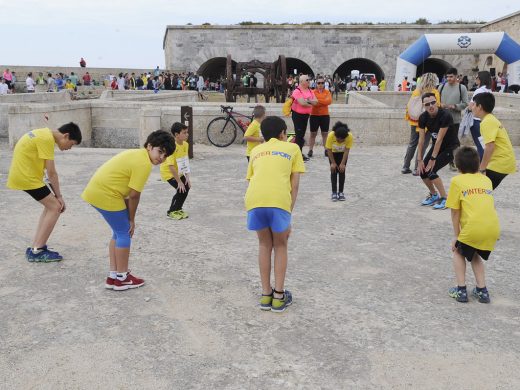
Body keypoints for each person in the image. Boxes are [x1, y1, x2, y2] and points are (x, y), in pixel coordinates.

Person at [82, 130, 174, 290]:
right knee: (125, 232)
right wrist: (131, 220)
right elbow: (134, 195)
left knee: (118, 232)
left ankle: (113, 276)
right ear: (149, 146)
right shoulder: (144, 163)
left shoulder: (137, 155)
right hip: (106, 193)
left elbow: (127, 192)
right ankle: (122, 278)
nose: (161, 158)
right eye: (160, 152)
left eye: (165, 156)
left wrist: (127, 218)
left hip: (98, 191)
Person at [245, 116, 305, 312]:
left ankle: (265, 295)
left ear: (263, 134)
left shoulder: (256, 151)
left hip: (254, 200)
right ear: (282, 134)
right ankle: (279, 296)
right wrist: (288, 213)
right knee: (280, 244)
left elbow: (251, 180)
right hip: (279, 200)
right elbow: (294, 185)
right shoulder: (293, 149)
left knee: (263, 244)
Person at [6, 123, 82, 262]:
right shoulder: (46, 139)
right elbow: (52, 173)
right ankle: (37, 251)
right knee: (55, 207)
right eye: (71, 144)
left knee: (50, 206)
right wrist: (59, 196)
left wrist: (56, 195)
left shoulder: (43, 134)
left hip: (25, 175)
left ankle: (36, 246)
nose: (69, 148)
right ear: (66, 135)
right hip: (27, 178)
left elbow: (48, 174)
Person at [446, 146, 499, 303]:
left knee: (458, 252)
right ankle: (482, 291)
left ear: (458, 166)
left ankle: (461, 290)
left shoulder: (457, 181)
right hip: (492, 227)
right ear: (477, 164)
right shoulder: (486, 180)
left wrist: (457, 236)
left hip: (473, 228)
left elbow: (455, 212)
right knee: (474, 253)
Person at [417, 92, 460, 210]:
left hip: (450, 147)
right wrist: (419, 159)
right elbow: (421, 140)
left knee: (431, 171)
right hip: (437, 146)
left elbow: (440, 139)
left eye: (433, 102)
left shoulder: (445, 115)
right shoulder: (423, 117)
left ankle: (445, 198)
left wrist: (432, 159)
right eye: (427, 104)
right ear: (423, 106)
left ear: (437, 102)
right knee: (422, 172)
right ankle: (434, 194)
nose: (430, 106)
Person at [472, 92, 516, 190]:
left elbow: (489, 147)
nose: (472, 106)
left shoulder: (487, 122)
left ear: (480, 107)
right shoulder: (489, 119)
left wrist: (482, 168)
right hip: (502, 162)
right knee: (481, 191)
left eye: (474, 104)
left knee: (479, 191)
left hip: (500, 163)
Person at [402, 73, 440, 174]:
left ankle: (405, 166)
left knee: (412, 143)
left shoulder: (416, 91)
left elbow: (409, 106)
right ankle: (416, 169)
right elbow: (437, 107)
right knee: (422, 145)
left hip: (415, 121)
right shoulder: (434, 92)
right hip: (427, 123)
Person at [160, 123, 192, 220]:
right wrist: (179, 181)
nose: (187, 134)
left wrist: (187, 177)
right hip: (169, 172)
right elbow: (171, 166)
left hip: (180, 171)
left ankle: (178, 208)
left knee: (186, 187)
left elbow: (184, 161)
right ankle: (171, 211)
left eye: (187, 132)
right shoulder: (171, 146)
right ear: (176, 134)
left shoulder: (186, 144)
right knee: (180, 189)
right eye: (184, 133)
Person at [439, 67, 468, 171]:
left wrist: (454, 106)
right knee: (442, 141)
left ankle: (454, 162)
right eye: (447, 77)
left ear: (456, 76)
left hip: (455, 120)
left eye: (451, 77)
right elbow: (436, 101)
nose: (449, 79)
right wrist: (440, 104)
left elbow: (465, 104)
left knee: (455, 142)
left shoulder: (462, 88)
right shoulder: (441, 87)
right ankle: (442, 160)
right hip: (442, 120)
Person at [290, 74, 317, 161]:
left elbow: (316, 102)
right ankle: (298, 155)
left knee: (302, 135)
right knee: (299, 135)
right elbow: (302, 103)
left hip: (305, 115)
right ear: (301, 82)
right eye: (307, 80)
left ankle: (299, 153)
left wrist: (307, 101)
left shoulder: (310, 90)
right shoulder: (297, 91)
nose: (309, 81)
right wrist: (310, 102)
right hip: (297, 115)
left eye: (309, 80)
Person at [326, 121, 353, 201]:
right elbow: (329, 150)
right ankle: (334, 192)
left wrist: (342, 164)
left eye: (342, 140)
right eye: (338, 139)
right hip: (332, 153)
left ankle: (341, 192)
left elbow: (347, 151)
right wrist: (333, 163)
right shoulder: (331, 135)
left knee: (342, 171)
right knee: (333, 171)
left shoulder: (349, 136)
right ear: (335, 136)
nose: (340, 142)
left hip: (342, 154)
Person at [308, 76, 332, 158]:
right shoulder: (312, 92)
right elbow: (311, 102)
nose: (320, 84)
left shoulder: (327, 92)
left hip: (325, 115)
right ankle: (310, 150)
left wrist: (317, 101)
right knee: (313, 134)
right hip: (314, 115)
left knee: (325, 133)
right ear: (316, 84)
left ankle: (326, 150)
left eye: (322, 83)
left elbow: (329, 101)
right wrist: (322, 101)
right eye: (319, 83)